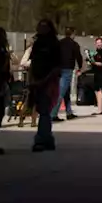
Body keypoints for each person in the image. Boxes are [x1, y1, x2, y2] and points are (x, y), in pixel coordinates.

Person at [28, 18, 62, 152]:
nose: (41, 29)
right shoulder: (37, 44)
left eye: (44, 26)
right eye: (39, 26)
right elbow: (33, 63)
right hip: (36, 80)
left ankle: (41, 139)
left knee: (44, 110)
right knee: (42, 110)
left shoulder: (54, 44)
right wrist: (32, 81)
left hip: (49, 81)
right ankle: (48, 138)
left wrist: (45, 80)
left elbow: (57, 67)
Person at [55, 26, 83, 121]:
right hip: (67, 69)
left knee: (66, 91)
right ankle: (53, 114)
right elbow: (78, 57)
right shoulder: (74, 44)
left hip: (58, 69)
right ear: (73, 34)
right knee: (61, 92)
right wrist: (80, 67)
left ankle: (69, 112)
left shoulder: (59, 43)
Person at [90, 45, 102, 115]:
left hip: (101, 73)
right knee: (96, 90)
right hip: (96, 73)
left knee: (99, 90)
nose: (98, 44)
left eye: (100, 43)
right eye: (97, 43)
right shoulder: (96, 52)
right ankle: (99, 108)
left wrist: (94, 62)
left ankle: (100, 109)